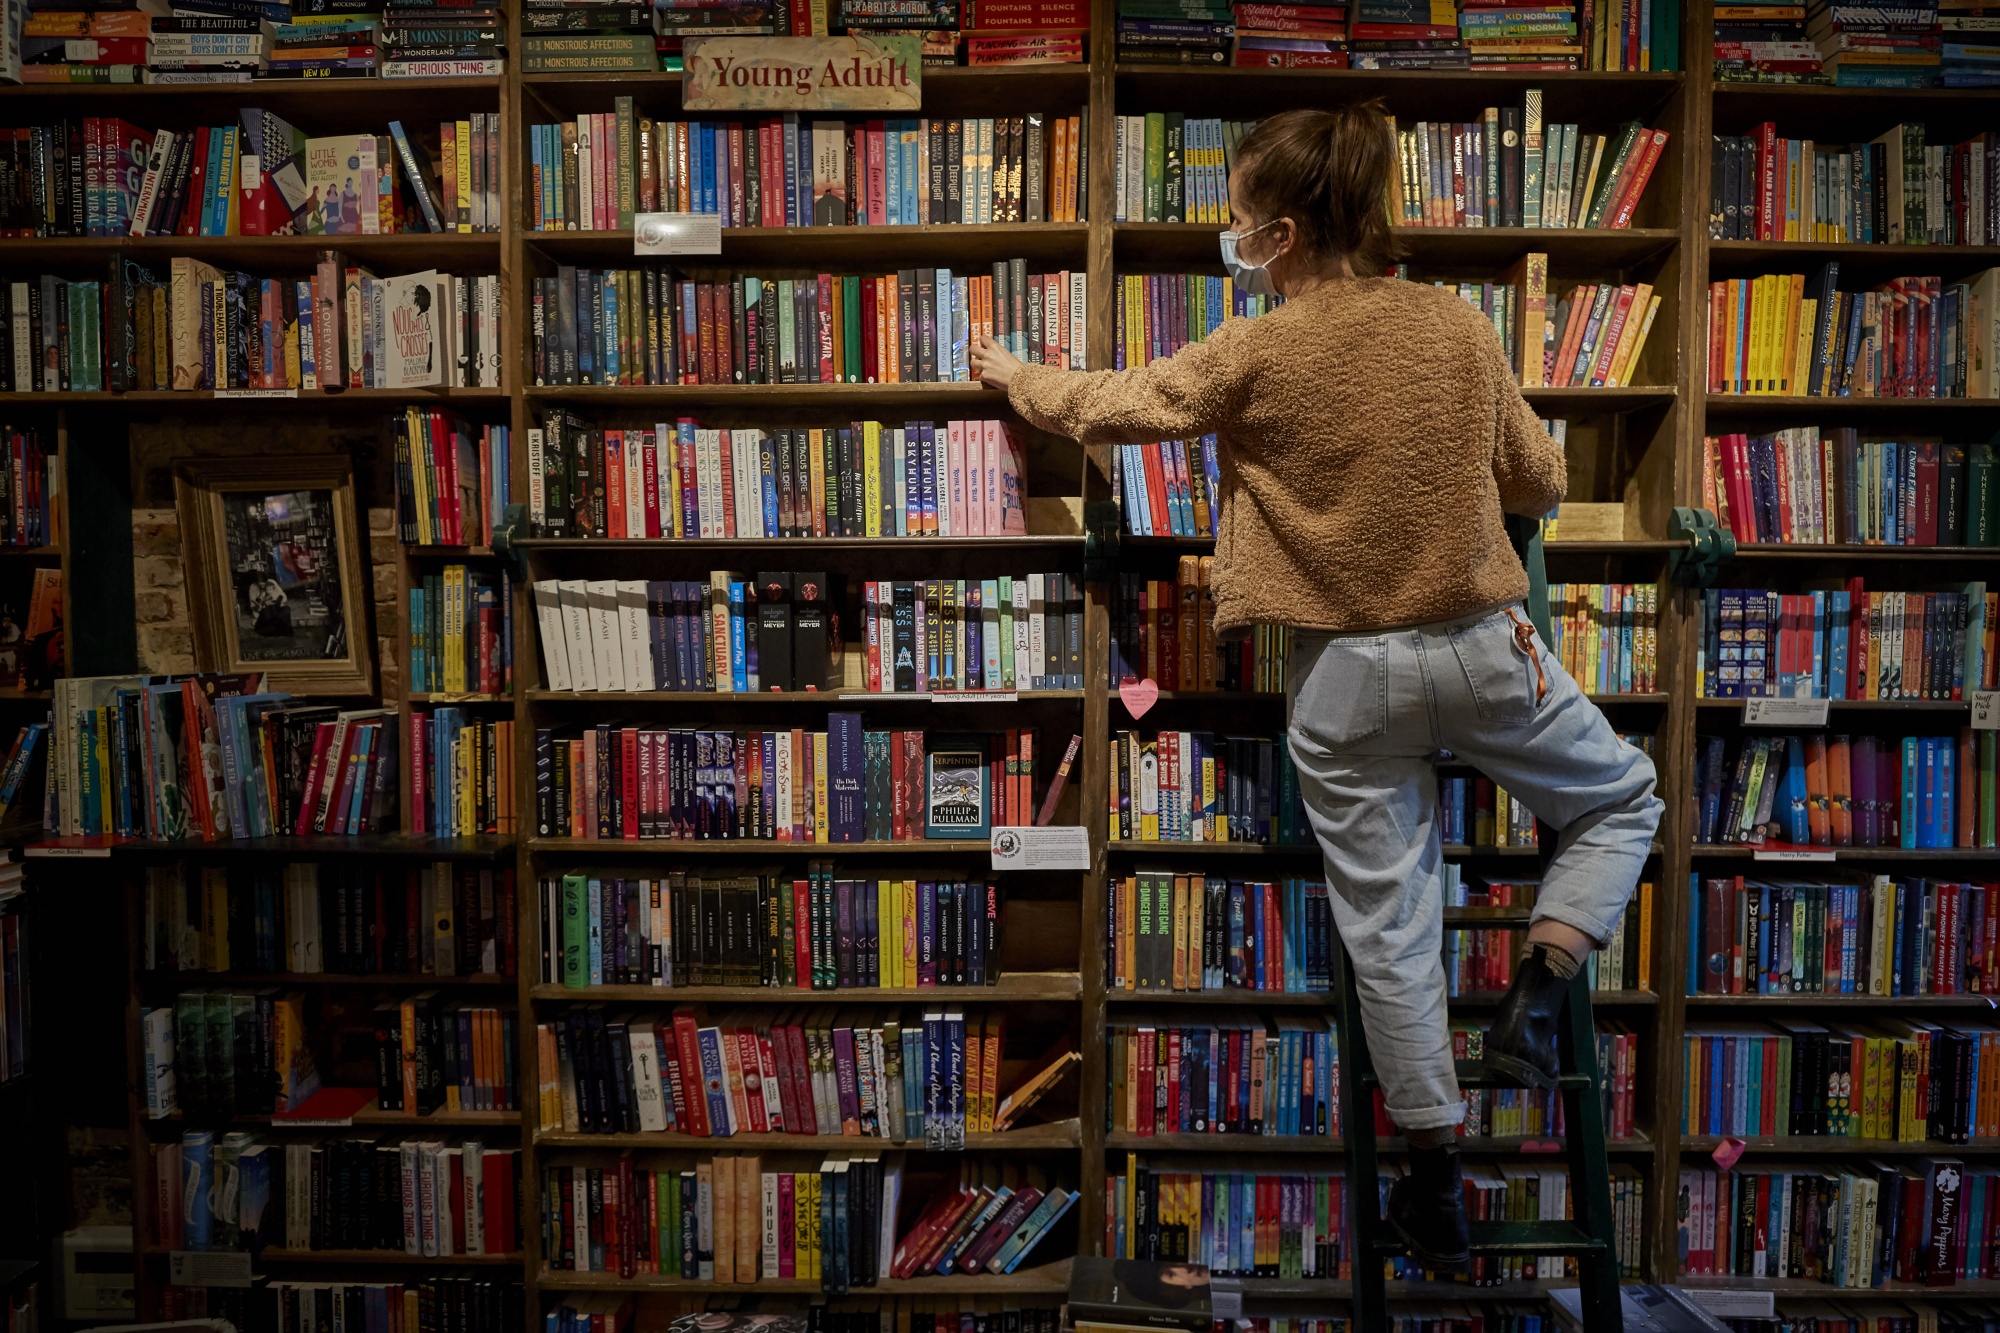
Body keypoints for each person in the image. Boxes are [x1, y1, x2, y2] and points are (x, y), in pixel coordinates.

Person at [969, 103, 1663, 1272]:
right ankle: (1542, 984)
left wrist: (1009, 372)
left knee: (1389, 928)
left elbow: (1111, 406)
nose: (1231, 233)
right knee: (1621, 797)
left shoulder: (1252, 348)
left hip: (1344, 680)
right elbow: (1538, 479)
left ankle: (1433, 1180)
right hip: (1484, 649)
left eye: (1239, 217)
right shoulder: (1453, 327)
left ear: (1281, 233)